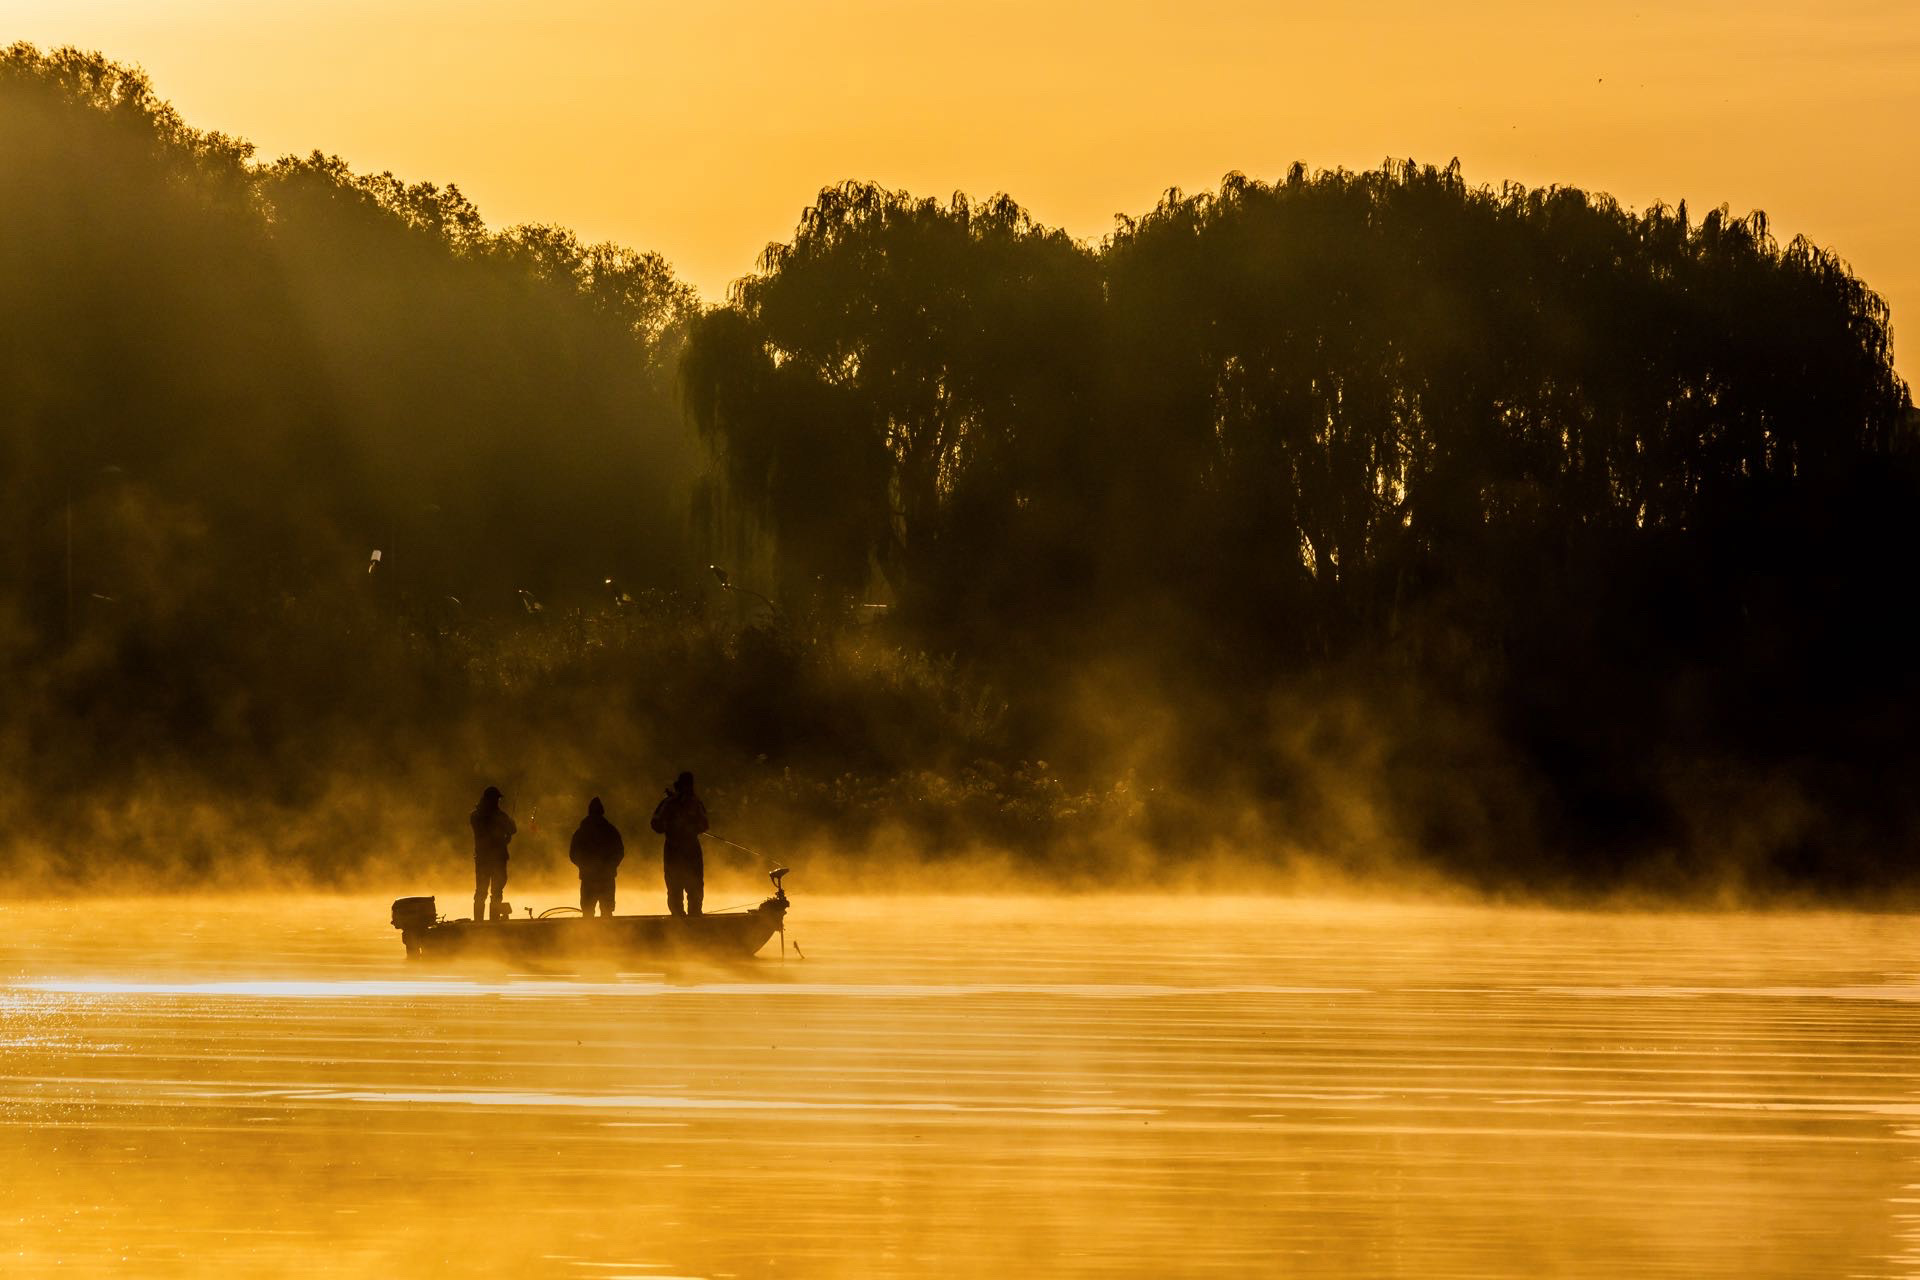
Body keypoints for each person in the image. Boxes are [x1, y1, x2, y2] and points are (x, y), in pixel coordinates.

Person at [650, 771, 708, 917]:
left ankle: (690, 917)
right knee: (677, 886)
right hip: (677, 849)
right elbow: (656, 824)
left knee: (691, 886)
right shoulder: (679, 802)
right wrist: (671, 826)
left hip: (684, 850)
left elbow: (704, 825)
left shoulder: (692, 802)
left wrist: (690, 827)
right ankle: (681, 919)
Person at [569, 796, 625, 918]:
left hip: (588, 878)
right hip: (607, 878)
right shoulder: (611, 830)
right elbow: (619, 852)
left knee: (587, 913)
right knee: (607, 913)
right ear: (602, 812)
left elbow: (573, 854)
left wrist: (584, 866)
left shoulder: (581, 831)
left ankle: (587, 936)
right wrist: (610, 866)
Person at [470, 785, 516, 922]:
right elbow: (513, 830)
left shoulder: (475, 816)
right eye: (496, 799)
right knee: (495, 892)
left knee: (481, 892)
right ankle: (493, 922)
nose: (498, 802)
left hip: (482, 859)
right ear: (491, 800)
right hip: (497, 859)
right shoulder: (499, 816)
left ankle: (479, 922)